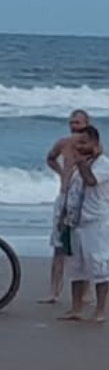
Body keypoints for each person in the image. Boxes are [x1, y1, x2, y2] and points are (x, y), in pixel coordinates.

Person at [59, 125, 109, 324]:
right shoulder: (79, 166)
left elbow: (91, 181)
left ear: (95, 144)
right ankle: (76, 308)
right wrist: (63, 216)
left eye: (83, 143)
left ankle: (100, 310)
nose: (78, 146)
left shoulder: (103, 164)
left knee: (99, 266)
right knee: (76, 267)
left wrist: (79, 163)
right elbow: (71, 192)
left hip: (96, 222)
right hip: (76, 222)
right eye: (76, 143)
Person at [42, 110, 92, 303]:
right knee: (58, 246)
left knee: (82, 245)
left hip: (82, 198)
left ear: (87, 123)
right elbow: (50, 158)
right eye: (72, 122)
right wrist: (62, 171)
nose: (74, 126)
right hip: (64, 196)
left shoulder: (92, 147)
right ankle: (54, 290)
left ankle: (86, 291)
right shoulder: (63, 143)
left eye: (78, 123)